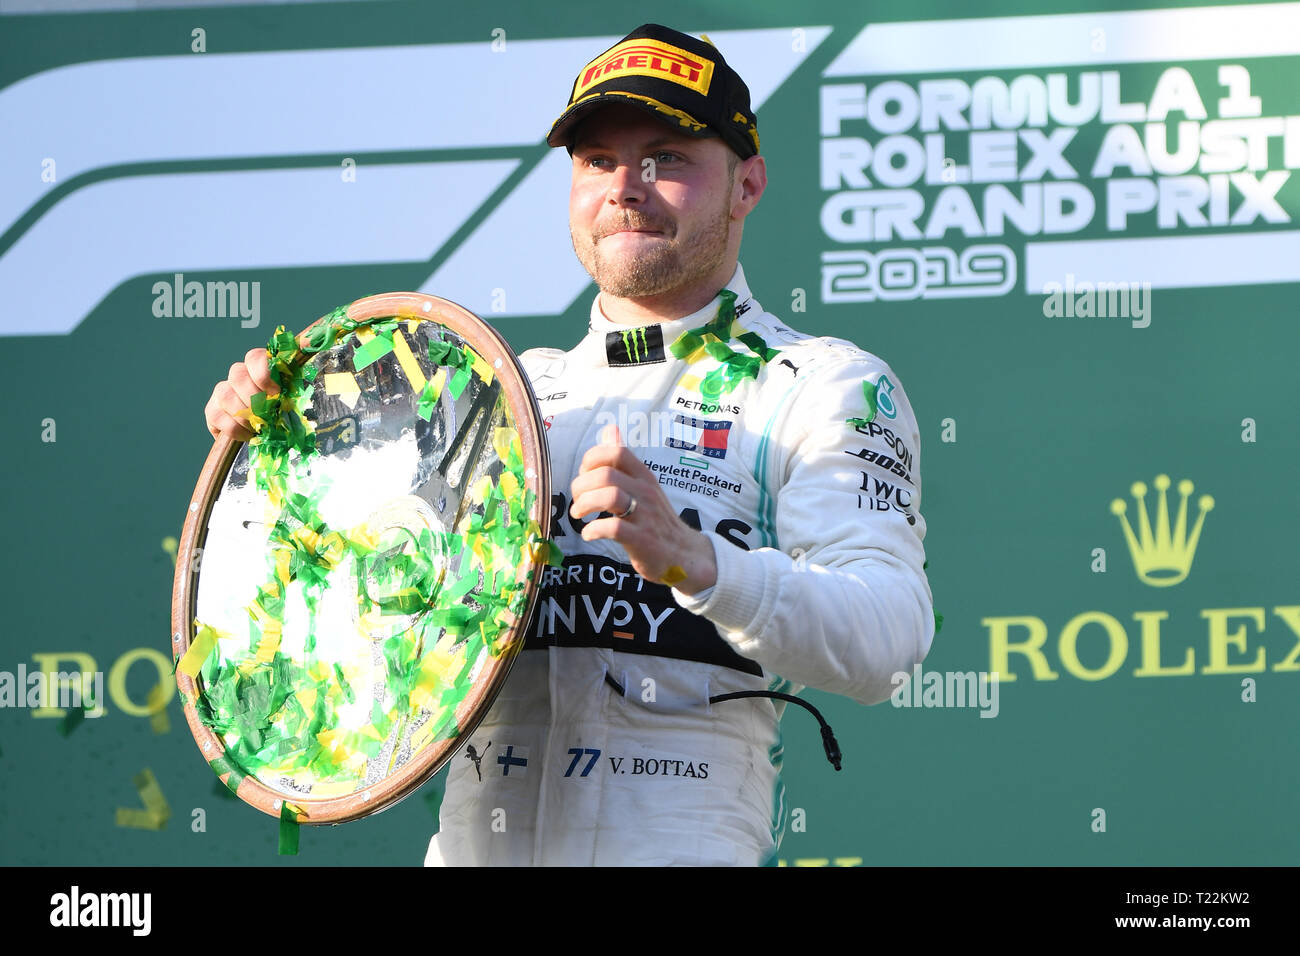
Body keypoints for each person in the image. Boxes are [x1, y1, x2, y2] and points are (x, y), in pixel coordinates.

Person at [204, 23, 935, 866]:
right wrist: (272, 457)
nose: (627, 187)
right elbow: (338, 604)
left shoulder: (819, 384)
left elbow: (887, 639)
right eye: (597, 161)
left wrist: (699, 563)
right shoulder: (491, 393)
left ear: (748, 184)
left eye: (666, 157)